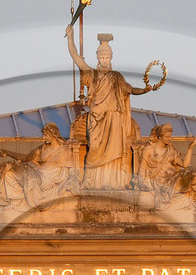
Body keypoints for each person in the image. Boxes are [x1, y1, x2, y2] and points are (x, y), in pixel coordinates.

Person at [66, 30, 162, 189]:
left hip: (115, 118)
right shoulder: (92, 74)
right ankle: (94, 183)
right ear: (98, 58)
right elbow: (76, 57)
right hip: (97, 119)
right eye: (102, 57)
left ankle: (114, 183)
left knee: (116, 150)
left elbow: (130, 89)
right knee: (95, 151)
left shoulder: (117, 77)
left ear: (111, 58)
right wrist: (70, 37)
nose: (104, 60)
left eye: (107, 57)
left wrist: (145, 90)